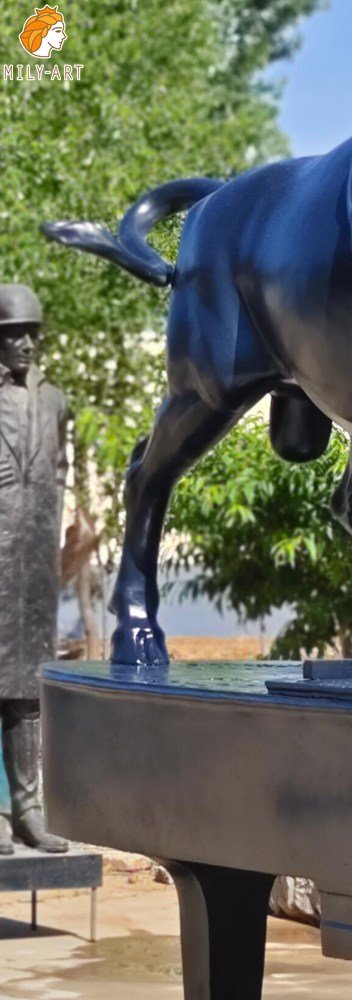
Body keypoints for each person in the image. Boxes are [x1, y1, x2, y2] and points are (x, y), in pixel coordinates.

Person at [0, 284, 67, 854]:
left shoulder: (54, 401)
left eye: (30, 334)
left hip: (33, 564)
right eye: (12, 334)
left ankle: (27, 806)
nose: (24, 344)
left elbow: (60, 472)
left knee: (26, 689)